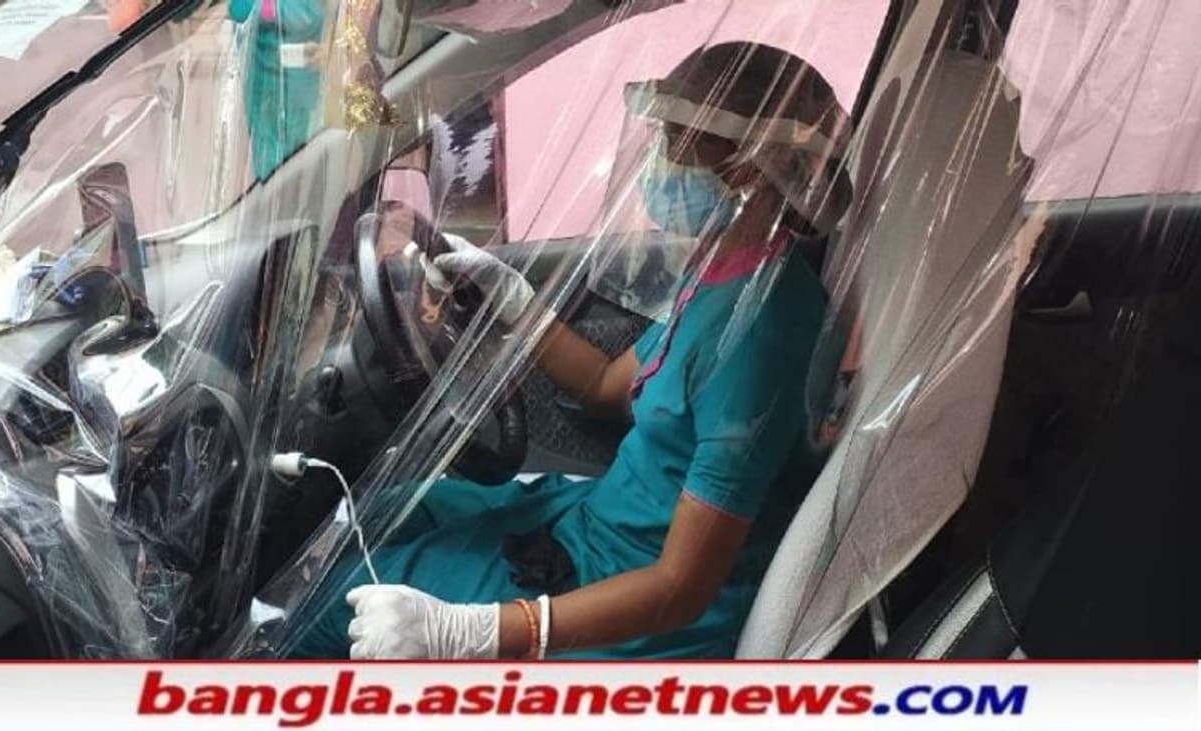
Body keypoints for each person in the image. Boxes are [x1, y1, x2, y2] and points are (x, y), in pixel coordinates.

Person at [291, 41, 853, 660]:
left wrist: (477, 631)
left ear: (746, 168)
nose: (658, 160)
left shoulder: (760, 335)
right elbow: (607, 387)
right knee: (373, 514)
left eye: (677, 139)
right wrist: (513, 301)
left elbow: (681, 589)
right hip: (596, 516)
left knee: (319, 609)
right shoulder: (726, 272)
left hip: (624, 586)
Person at [228, 0, 326, 179]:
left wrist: (269, 10)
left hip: (295, 83)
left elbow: (309, 17)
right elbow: (238, 11)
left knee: (298, 161)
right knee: (269, 159)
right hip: (261, 82)